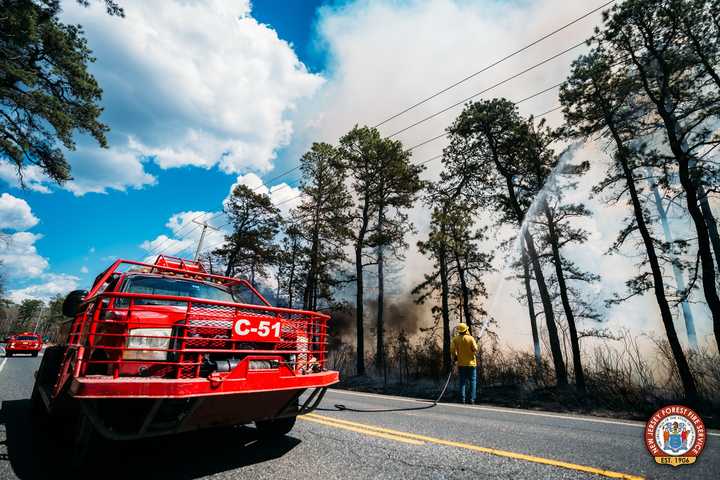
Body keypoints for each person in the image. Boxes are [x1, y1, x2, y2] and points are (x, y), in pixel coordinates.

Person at [451, 323, 478, 404]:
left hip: (461, 364)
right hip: (471, 364)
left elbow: (452, 350)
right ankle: (472, 399)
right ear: (466, 329)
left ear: (459, 331)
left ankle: (462, 399)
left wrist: (455, 356)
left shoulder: (455, 339)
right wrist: (476, 346)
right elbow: (475, 349)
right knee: (472, 381)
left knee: (462, 381)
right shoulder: (471, 338)